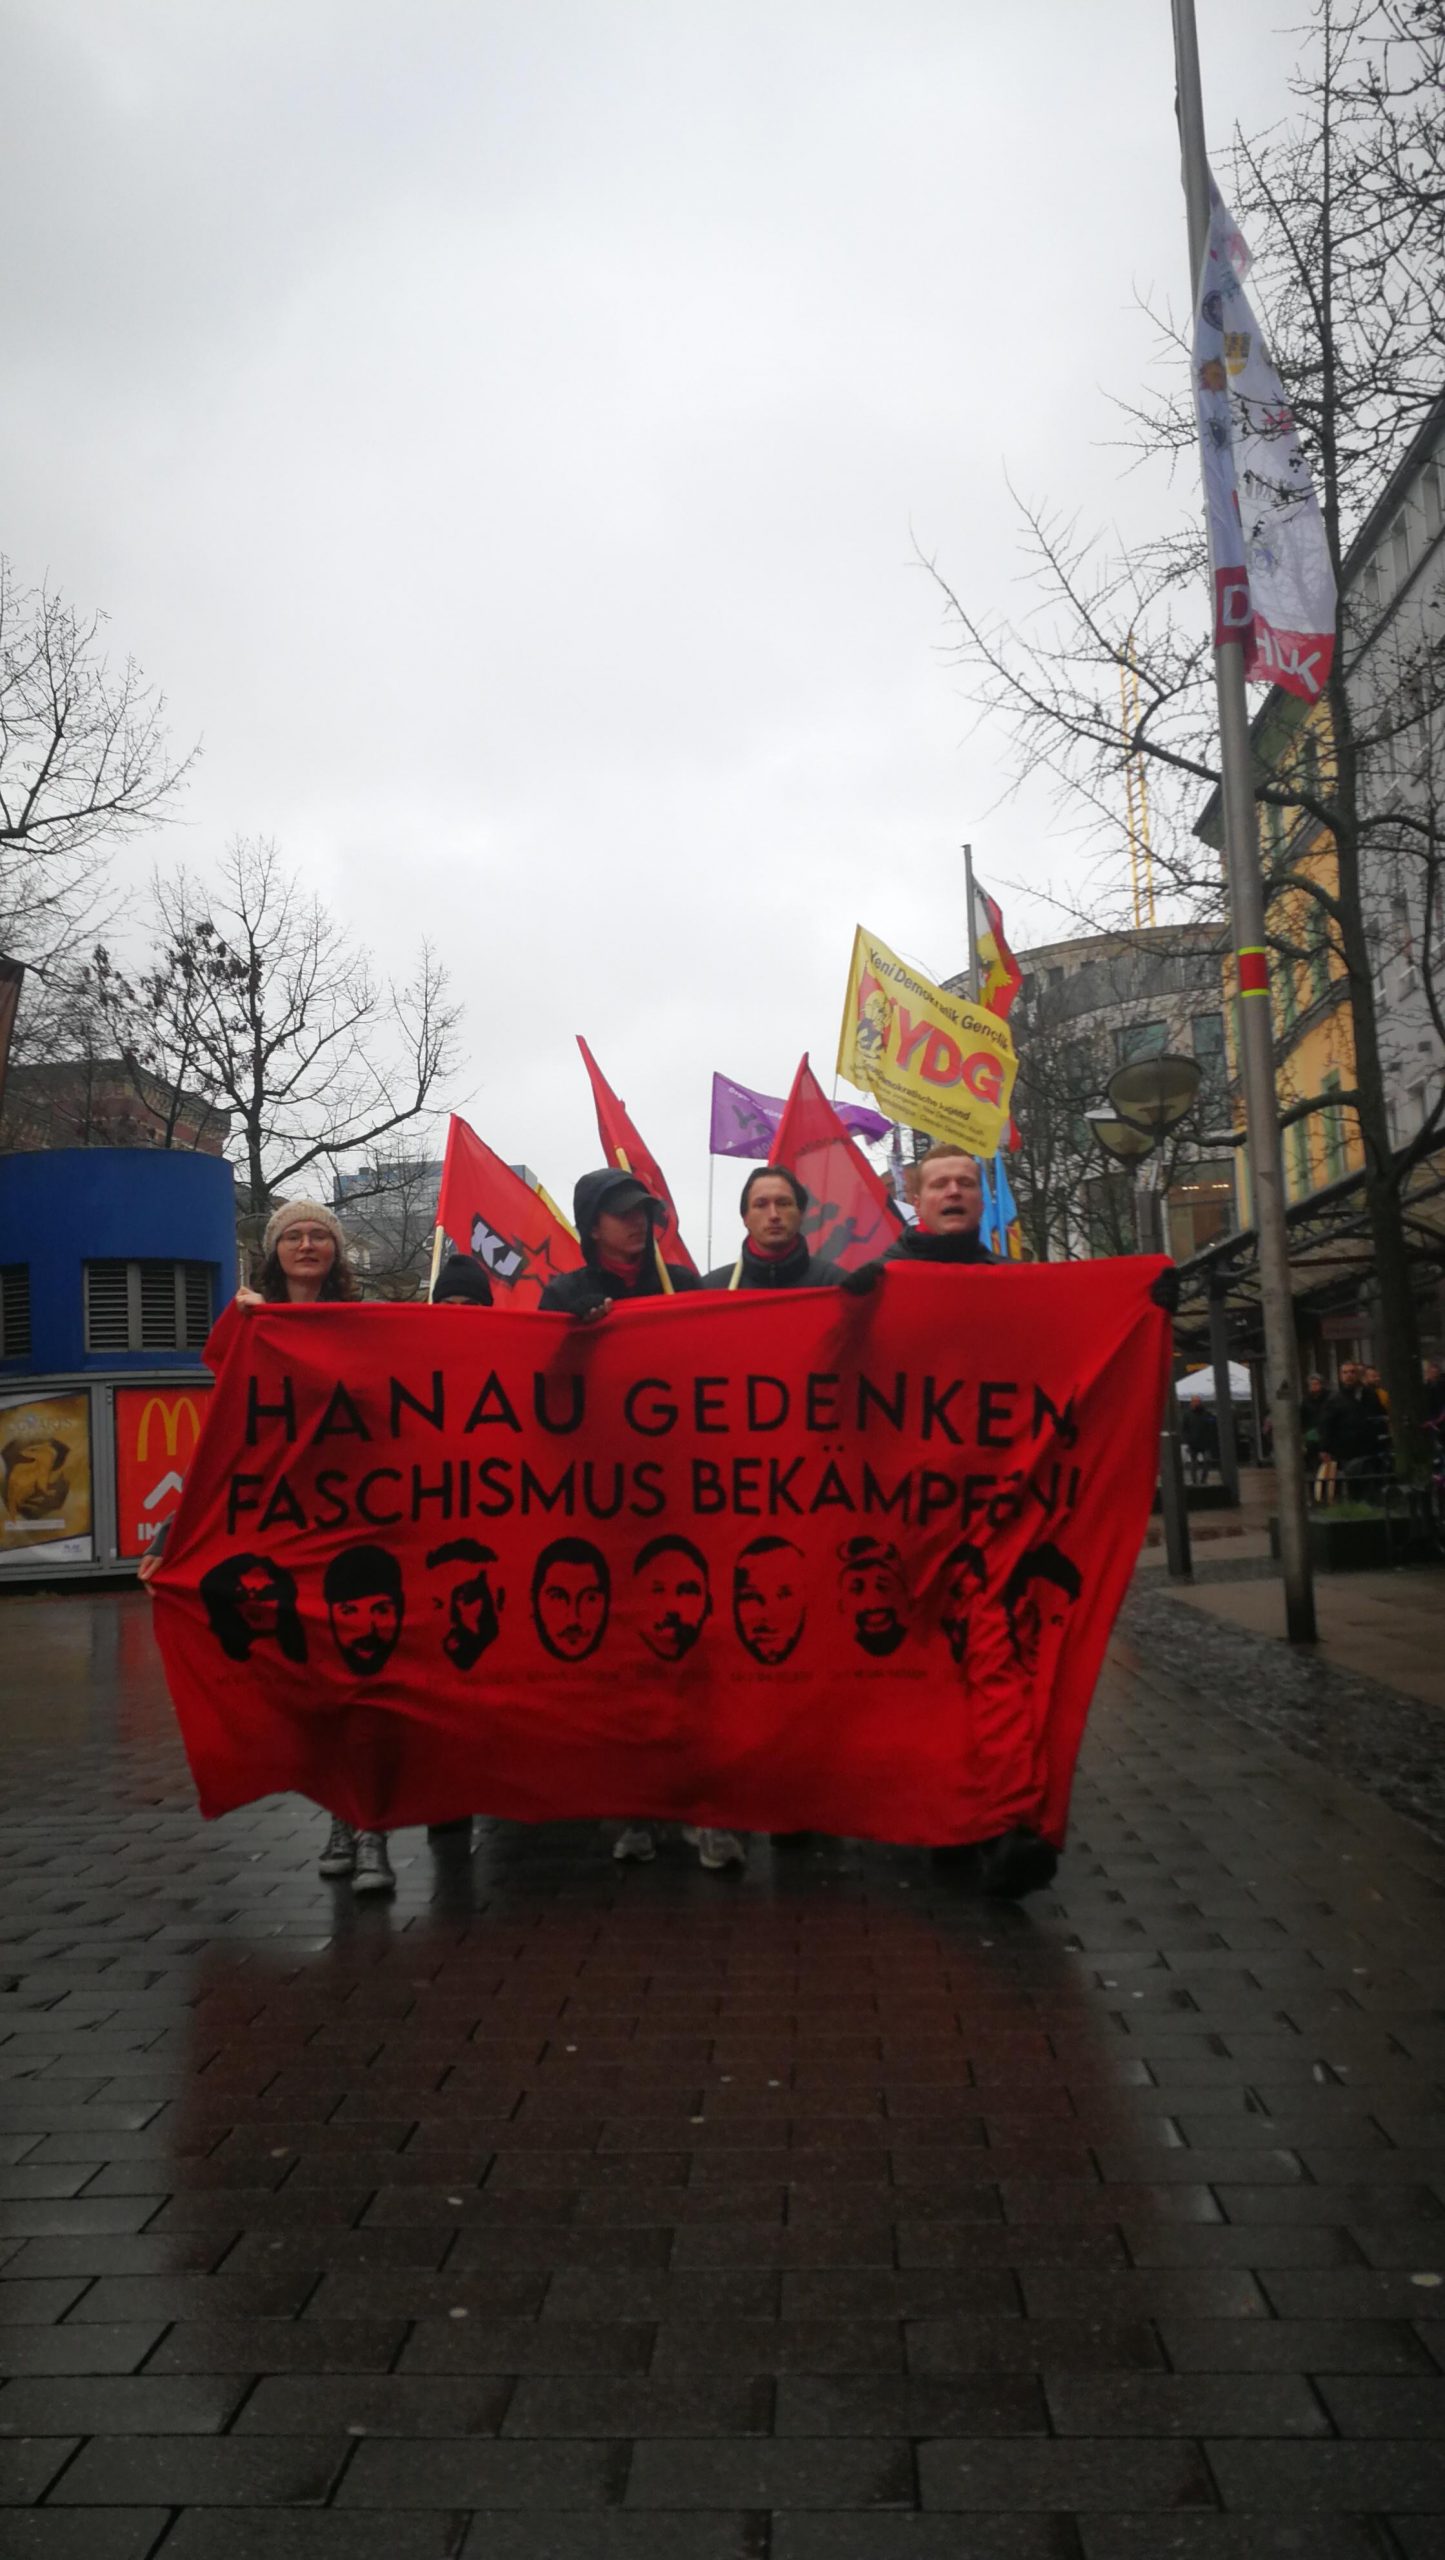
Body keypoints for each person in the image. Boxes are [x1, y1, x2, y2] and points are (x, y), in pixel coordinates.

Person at [538, 1170, 699, 1316]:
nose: (639, 1221)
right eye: (624, 1213)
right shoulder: (564, 1295)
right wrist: (574, 1327)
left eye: (642, 1210)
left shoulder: (682, 1284)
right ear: (593, 1228)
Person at [703, 1166, 837, 1291]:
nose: (774, 1215)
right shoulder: (711, 1290)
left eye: (783, 1204)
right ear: (745, 1218)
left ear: (801, 1214)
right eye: (761, 1205)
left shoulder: (834, 1285)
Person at [1320, 1360, 1389, 1490]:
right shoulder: (1334, 1400)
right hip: (1346, 1450)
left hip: (1370, 1448)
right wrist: (1325, 1448)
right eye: (1345, 1372)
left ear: (1358, 1374)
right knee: (1354, 1483)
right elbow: (1326, 1425)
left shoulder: (1369, 1395)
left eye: (1352, 1372)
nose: (1349, 1375)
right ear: (1340, 1375)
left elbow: (1381, 1416)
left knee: (1372, 1483)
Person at [1181, 1400, 1219, 1486]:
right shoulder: (1187, 1415)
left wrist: (1211, 1436)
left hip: (1205, 1443)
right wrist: (1187, 1440)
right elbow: (1184, 1429)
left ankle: (1203, 1480)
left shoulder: (1206, 1414)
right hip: (1193, 1443)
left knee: (1207, 1460)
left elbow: (1213, 1424)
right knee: (1194, 1463)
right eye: (1194, 1402)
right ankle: (1195, 1481)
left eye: (1197, 1402)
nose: (1195, 1404)